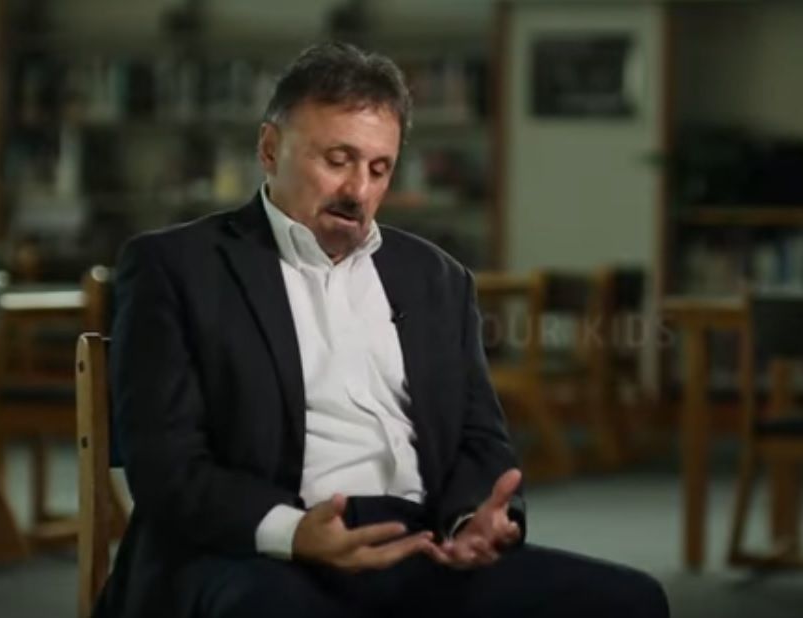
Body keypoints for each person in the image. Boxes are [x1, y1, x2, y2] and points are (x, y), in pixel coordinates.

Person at [99, 42, 670, 618]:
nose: (359, 191)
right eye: (337, 160)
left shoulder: (436, 278)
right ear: (269, 149)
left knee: (633, 603)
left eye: (379, 169)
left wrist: (472, 519)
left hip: (420, 542)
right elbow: (165, 466)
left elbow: (480, 438)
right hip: (254, 547)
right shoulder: (175, 267)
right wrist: (294, 532)